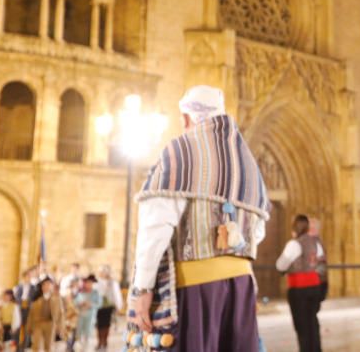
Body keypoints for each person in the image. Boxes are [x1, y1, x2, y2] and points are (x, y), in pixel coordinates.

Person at [129, 85, 270, 352]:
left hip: (196, 287)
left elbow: (154, 228)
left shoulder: (181, 150)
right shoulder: (246, 160)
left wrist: (143, 289)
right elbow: (258, 230)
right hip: (241, 285)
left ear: (186, 118)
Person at [276, 214, 324, 352]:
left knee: (302, 326)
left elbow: (280, 265)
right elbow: (319, 261)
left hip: (299, 289)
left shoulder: (294, 244)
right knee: (313, 323)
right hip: (315, 287)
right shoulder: (316, 242)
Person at [25, 277, 62, 352]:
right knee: (36, 345)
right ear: (42, 287)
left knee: (48, 346)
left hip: (50, 324)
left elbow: (61, 314)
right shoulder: (37, 300)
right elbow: (31, 314)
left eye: (49, 285)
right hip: (38, 324)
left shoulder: (57, 299)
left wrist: (60, 327)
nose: (46, 287)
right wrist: (29, 327)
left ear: (52, 286)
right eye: (44, 285)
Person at [93, 264, 122, 351]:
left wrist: (118, 306)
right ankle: (99, 342)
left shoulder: (113, 282)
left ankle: (105, 342)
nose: (103, 273)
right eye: (101, 272)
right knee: (99, 325)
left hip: (108, 307)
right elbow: (95, 293)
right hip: (99, 306)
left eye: (104, 272)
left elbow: (116, 294)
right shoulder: (97, 282)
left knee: (106, 325)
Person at [73, 275, 102, 352]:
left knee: (88, 336)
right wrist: (80, 304)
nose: (88, 285)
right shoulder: (81, 293)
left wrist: (91, 304)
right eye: (87, 283)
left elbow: (99, 304)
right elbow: (75, 302)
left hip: (90, 316)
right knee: (79, 336)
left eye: (90, 283)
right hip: (81, 316)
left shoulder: (96, 293)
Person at [307, 217, 329, 303]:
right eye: (310, 228)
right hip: (311, 280)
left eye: (313, 228)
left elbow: (322, 260)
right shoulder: (305, 242)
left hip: (319, 280)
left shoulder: (318, 242)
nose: (311, 230)